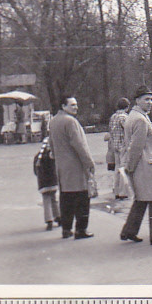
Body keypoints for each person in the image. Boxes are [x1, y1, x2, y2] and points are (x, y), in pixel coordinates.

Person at [120, 85, 152, 245]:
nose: (150, 102)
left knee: (141, 199)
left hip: (142, 165)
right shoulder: (140, 119)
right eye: (146, 99)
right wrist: (130, 167)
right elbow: (136, 146)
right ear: (137, 100)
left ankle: (129, 231)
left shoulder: (133, 116)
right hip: (146, 165)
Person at [49, 95, 96, 240]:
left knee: (66, 198)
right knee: (82, 198)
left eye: (76, 104)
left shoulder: (53, 121)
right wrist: (89, 162)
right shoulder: (71, 122)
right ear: (63, 106)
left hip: (62, 167)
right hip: (76, 166)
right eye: (72, 105)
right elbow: (79, 145)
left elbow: (51, 143)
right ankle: (81, 230)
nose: (76, 107)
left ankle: (66, 229)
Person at [33, 137, 61, 231]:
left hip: (43, 184)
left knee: (46, 201)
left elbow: (35, 171)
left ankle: (49, 220)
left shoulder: (37, 157)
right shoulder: (52, 156)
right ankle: (58, 216)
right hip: (52, 182)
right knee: (54, 199)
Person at [108, 97, 130, 199]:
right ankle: (123, 192)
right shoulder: (124, 117)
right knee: (123, 168)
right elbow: (128, 130)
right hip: (123, 146)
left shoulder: (113, 117)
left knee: (117, 168)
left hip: (115, 145)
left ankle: (116, 191)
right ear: (127, 107)